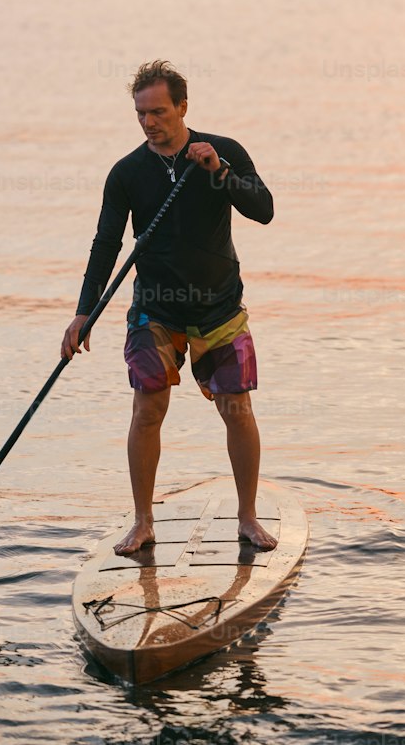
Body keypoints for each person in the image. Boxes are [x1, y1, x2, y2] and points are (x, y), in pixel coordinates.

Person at [61, 59, 277, 555]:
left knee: (237, 409)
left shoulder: (224, 152)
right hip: (154, 311)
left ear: (183, 106)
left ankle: (247, 518)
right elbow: (105, 243)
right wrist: (83, 312)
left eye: (158, 112)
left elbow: (263, 209)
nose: (149, 123)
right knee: (147, 410)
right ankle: (143, 523)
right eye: (140, 114)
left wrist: (218, 172)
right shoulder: (127, 173)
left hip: (220, 307)